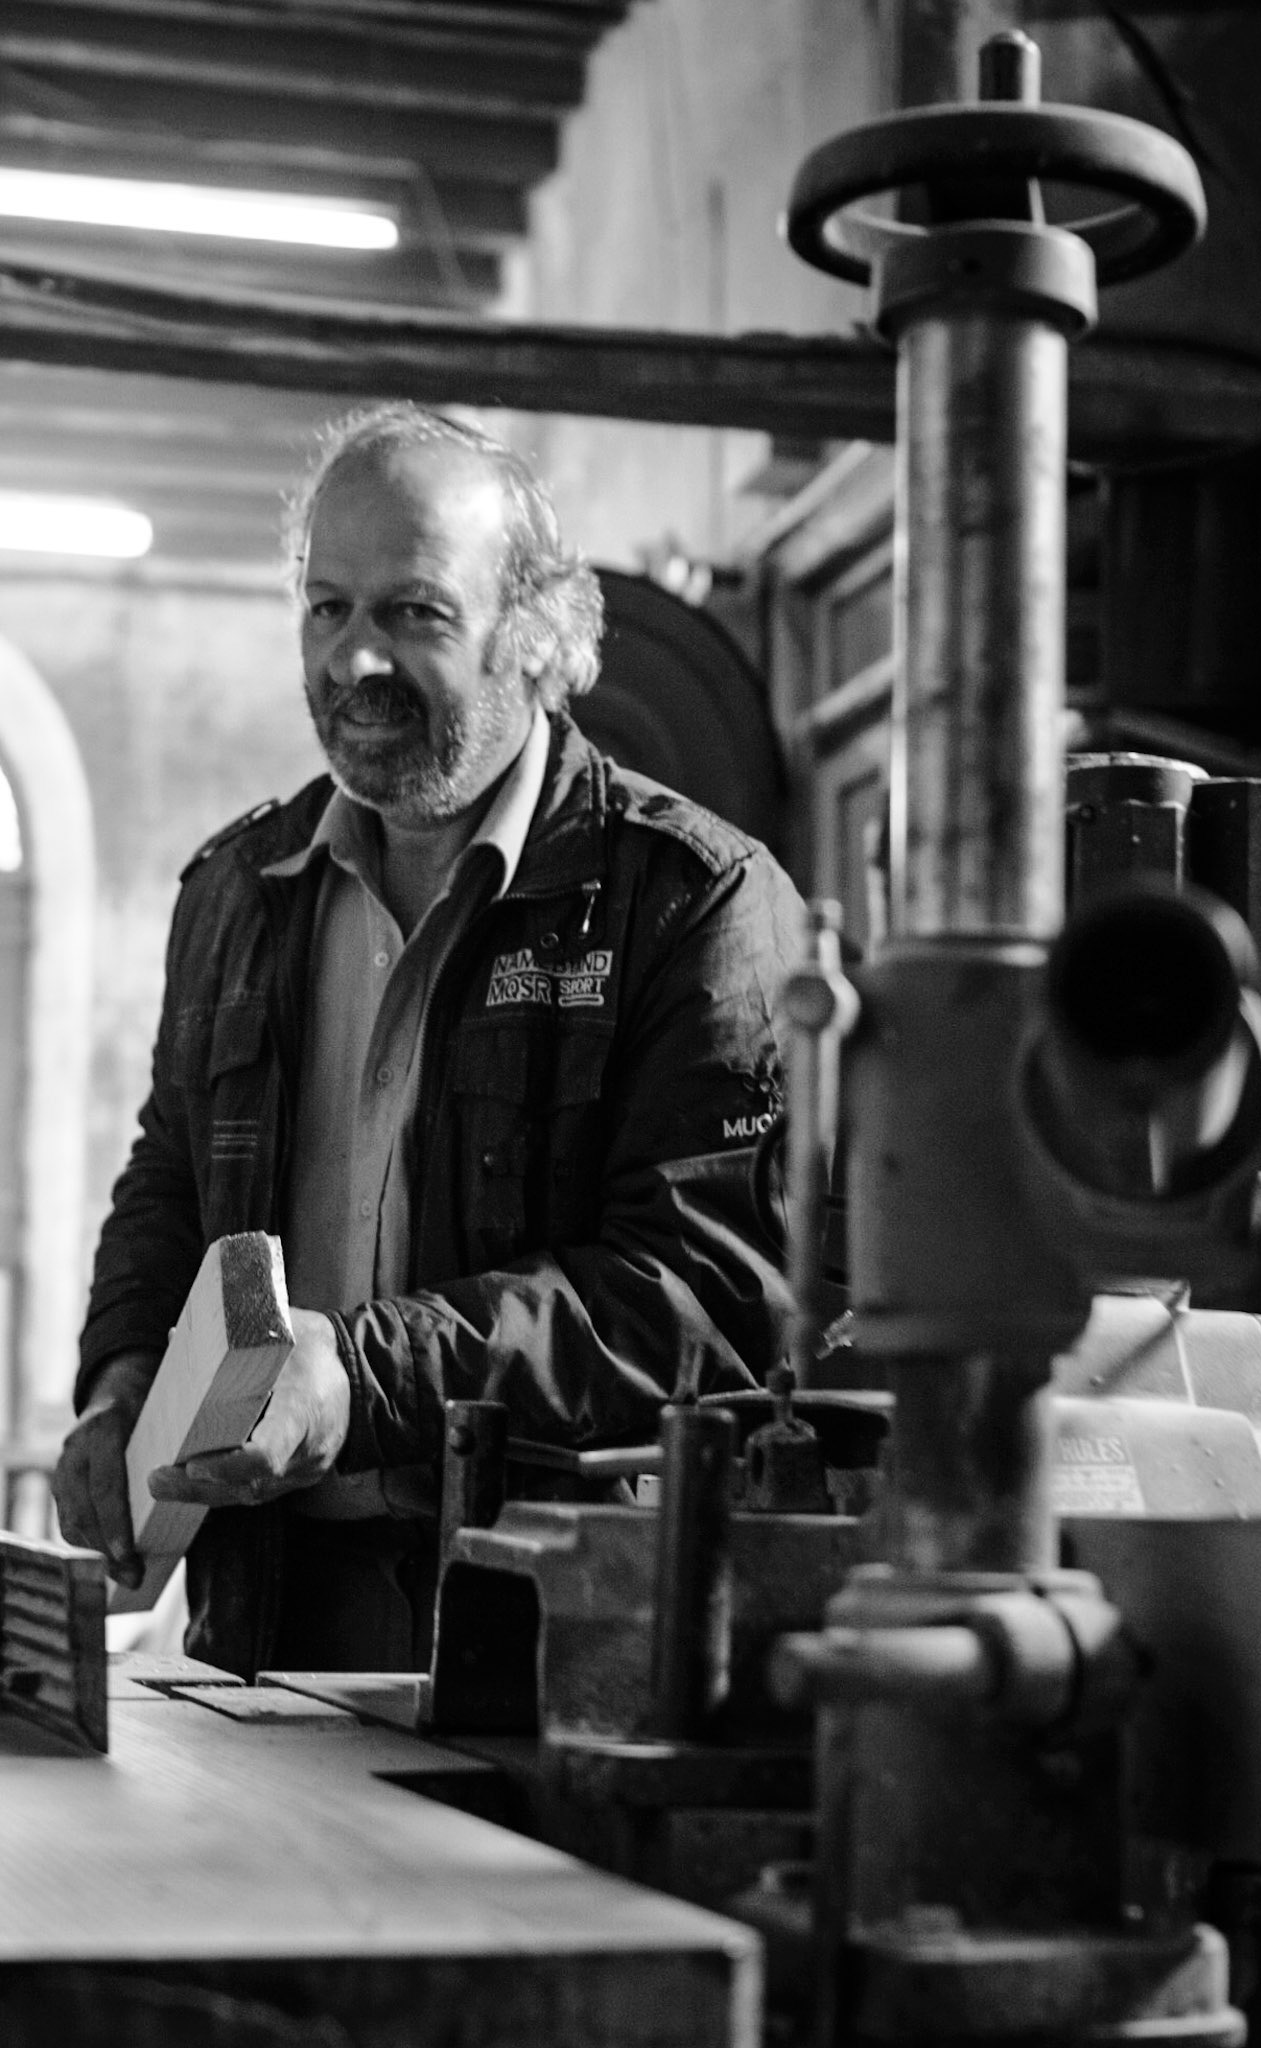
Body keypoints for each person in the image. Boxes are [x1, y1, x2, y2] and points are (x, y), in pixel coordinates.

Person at [52, 403, 803, 1678]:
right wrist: (122, 1380)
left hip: (554, 1637)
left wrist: (357, 1381)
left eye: (413, 613)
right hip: (262, 1618)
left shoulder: (692, 901)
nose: (352, 662)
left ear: (535, 634)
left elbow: (704, 1293)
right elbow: (173, 1176)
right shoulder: (237, 892)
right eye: (327, 608)